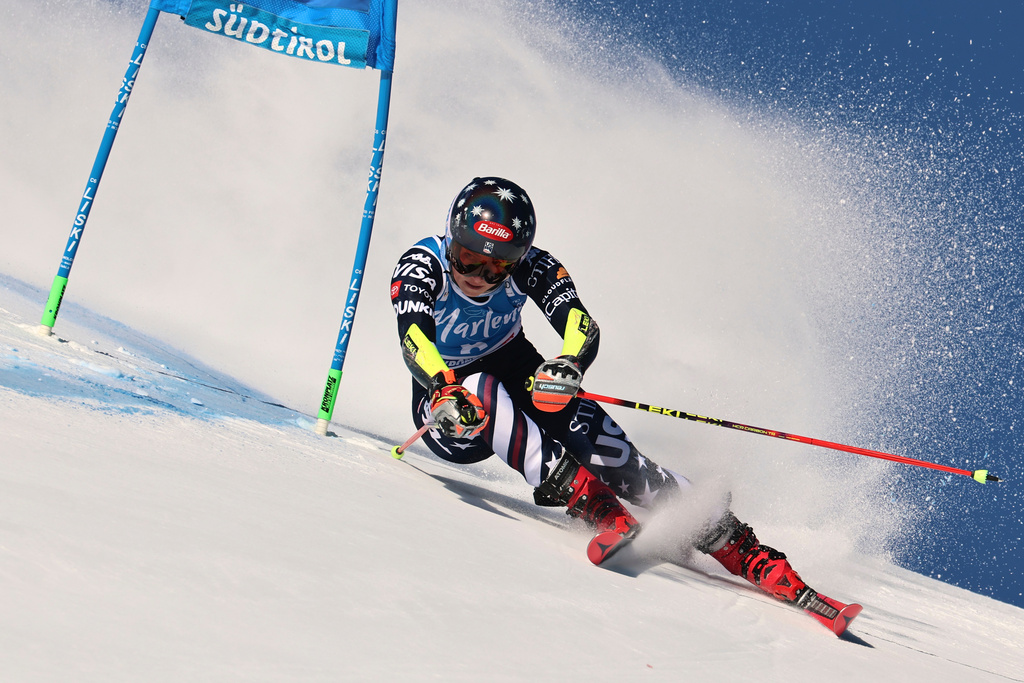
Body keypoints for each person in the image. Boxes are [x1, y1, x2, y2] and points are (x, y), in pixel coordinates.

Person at [390, 176, 828, 611]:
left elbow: (580, 323)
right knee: (477, 390)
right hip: (446, 399)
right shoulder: (420, 265)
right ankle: (591, 501)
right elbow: (413, 336)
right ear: (452, 237)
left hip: (514, 362)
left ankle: (732, 540)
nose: (481, 276)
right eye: (468, 259)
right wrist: (443, 386)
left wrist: (569, 365)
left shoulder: (535, 266)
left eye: (499, 266)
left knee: (596, 436)